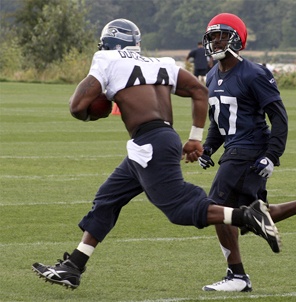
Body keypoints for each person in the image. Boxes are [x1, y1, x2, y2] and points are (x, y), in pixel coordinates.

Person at [31, 18, 282, 290]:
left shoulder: (106, 58)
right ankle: (74, 267)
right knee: (107, 198)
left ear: (107, 43)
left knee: (178, 208)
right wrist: (195, 138)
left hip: (149, 143)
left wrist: (95, 111)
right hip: (161, 139)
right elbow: (200, 90)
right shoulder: (160, 62)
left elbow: (76, 106)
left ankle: (247, 216)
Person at [197, 13, 296, 292]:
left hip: (249, 149)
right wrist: (207, 148)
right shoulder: (211, 76)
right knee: (249, 214)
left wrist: (272, 155)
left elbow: (279, 117)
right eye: (212, 36)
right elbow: (218, 121)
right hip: (234, 149)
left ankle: (237, 276)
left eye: (222, 35)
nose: (216, 41)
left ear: (237, 39)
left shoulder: (253, 73)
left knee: (214, 208)